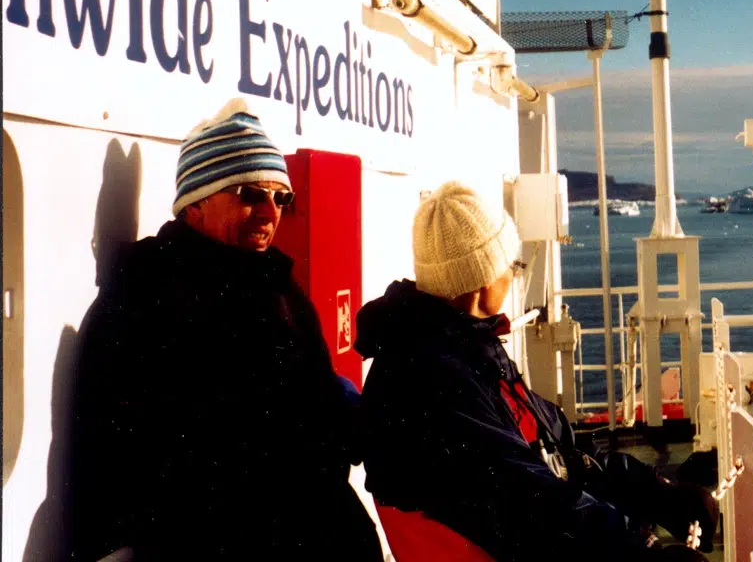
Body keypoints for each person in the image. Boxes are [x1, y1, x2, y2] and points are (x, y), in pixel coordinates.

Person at [68, 99, 383, 562]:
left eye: (281, 198)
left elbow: (312, 399)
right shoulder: (150, 297)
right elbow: (116, 444)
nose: (269, 212)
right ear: (196, 203)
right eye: (249, 194)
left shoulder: (278, 284)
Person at [357, 181, 718, 562]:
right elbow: (529, 499)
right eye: (512, 266)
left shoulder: (465, 348)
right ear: (483, 280)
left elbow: (558, 441)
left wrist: (659, 493)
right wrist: (642, 551)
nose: (514, 275)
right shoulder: (436, 380)